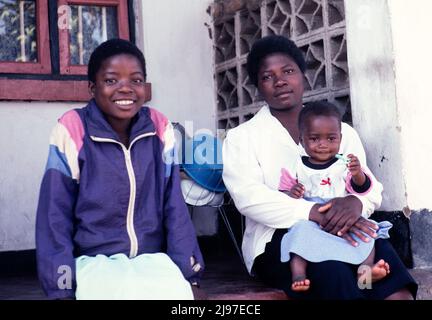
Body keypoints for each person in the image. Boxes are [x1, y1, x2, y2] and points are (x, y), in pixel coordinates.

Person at [222, 35, 417, 299]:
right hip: (281, 240)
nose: (280, 81)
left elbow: (367, 186)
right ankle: (360, 284)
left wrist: (356, 203)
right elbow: (249, 200)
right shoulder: (243, 138)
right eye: (268, 76)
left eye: (288, 71)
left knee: (393, 279)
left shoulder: (342, 132)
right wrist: (314, 212)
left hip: (347, 226)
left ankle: (368, 283)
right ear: (258, 87)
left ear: (303, 76)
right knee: (333, 271)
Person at [35, 39, 204, 300]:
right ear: (93, 87)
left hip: (152, 260)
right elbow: (54, 215)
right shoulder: (73, 129)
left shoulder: (158, 127)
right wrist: (62, 288)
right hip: (93, 262)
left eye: (136, 81)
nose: (126, 89)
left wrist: (190, 273)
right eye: (111, 81)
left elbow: (174, 207)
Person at [278, 101, 392, 292]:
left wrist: (357, 174)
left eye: (331, 139)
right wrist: (293, 193)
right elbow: (284, 196)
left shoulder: (345, 164)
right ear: (301, 139)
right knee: (298, 234)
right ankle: (298, 274)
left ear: (340, 138)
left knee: (368, 235)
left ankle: (365, 274)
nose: (323, 145)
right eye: (314, 139)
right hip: (314, 218)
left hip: (344, 217)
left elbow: (362, 188)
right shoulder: (296, 165)